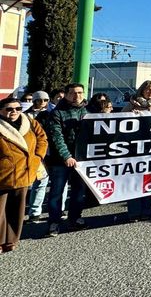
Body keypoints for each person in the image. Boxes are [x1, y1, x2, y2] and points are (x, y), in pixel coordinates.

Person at [0, 97, 47, 253]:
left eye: (18, 108)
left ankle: (11, 240)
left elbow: (42, 138)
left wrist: (37, 157)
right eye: (9, 109)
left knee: (17, 210)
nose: (14, 112)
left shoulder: (30, 122)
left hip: (25, 171)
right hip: (3, 173)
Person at [121, 81, 151, 220]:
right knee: (133, 178)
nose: (150, 92)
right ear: (142, 90)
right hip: (134, 147)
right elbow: (119, 118)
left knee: (149, 179)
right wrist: (131, 114)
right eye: (148, 89)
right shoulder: (132, 103)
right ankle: (133, 212)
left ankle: (146, 210)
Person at [45, 83, 88, 236]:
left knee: (78, 191)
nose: (77, 96)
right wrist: (66, 156)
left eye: (80, 93)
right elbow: (56, 137)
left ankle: (75, 218)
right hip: (60, 161)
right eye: (73, 93)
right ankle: (54, 222)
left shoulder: (88, 110)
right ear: (66, 94)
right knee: (57, 192)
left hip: (82, 160)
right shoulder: (57, 113)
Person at [23, 91, 51, 222]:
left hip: (47, 152)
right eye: (40, 100)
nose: (43, 102)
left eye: (46, 100)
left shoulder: (51, 114)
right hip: (31, 152)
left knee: (42, 181)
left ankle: (35, 212)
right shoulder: (24, 116)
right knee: (30, 183)